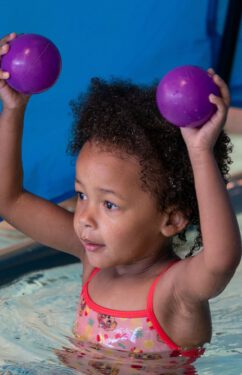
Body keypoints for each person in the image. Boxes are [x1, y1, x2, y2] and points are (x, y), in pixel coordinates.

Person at [0, 32, 241, 366]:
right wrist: (13, 109)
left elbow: (221, 259)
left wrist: (199, 151)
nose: (84, 217)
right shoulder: (90, 259)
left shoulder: (175, 291)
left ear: (171, 219)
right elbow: (9, 200)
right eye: (82, 195)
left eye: (109, 204)